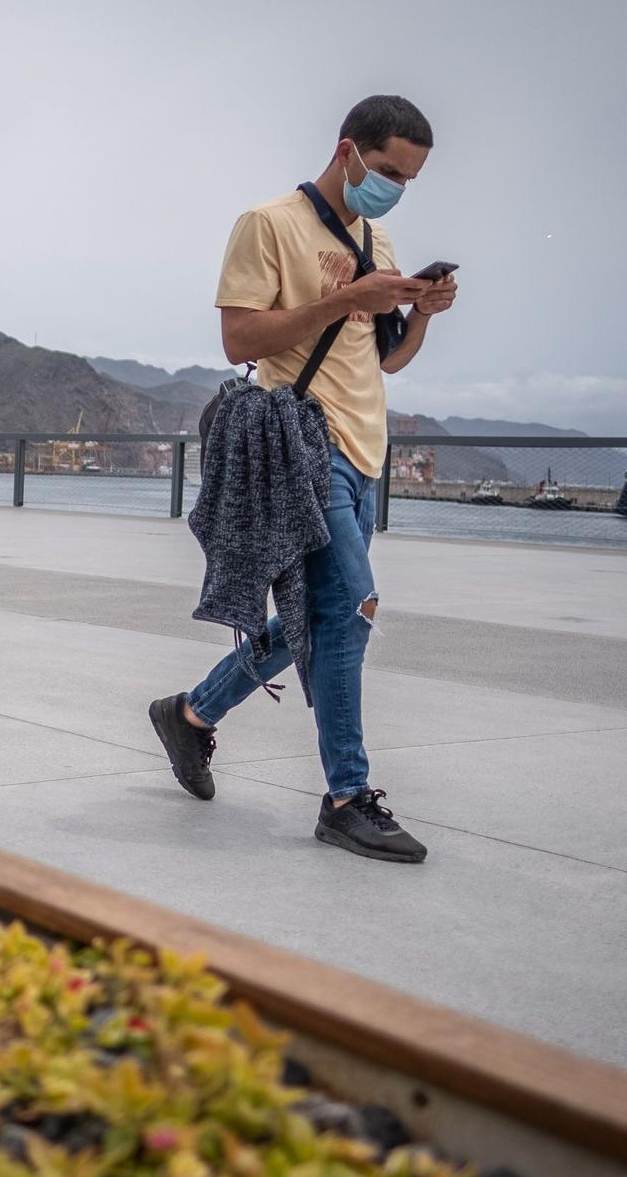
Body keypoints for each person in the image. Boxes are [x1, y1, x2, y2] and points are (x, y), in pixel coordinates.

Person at [150, 95, 458, 863]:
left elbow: (383, 357)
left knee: (320, 614)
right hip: (301, 441)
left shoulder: (376, 235)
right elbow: (237, 338)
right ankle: (347, 796)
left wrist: (420, 312)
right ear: (348, 149)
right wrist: (345, 297)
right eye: (386, 170)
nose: (393, 187)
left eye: (408, 179)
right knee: (351, 607)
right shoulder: (269, 223)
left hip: (364, 452)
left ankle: (190, 715)